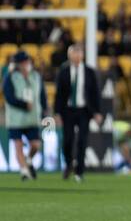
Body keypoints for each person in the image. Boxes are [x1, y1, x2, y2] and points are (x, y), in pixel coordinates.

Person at [53, 43, 102, 181]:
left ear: (82, 55)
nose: (77, 56)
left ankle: (79, 172)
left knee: (82, 141)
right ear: (70, 55)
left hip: (84, 111)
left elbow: (94, 93)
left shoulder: (89, 72)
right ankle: (69, 164)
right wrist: (57, 113)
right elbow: (59, 94)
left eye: (79, 53)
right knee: (67, 141)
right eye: (74, 53)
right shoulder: (63, 72)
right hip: (68, 111)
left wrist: (97, 112)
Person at [3, 50, 47, 180]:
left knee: (36, 145)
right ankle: (24, 171)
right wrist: (23, 104)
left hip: (33, 117)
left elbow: (42, 95)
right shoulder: (10, 77)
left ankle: (28, 160)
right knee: (18, 145)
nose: (26, 63)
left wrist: (44, 110)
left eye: (27, 61)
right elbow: (9, 97)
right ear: (18, 64)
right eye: (23, 62)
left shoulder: (36, 76)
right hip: (16, 118)